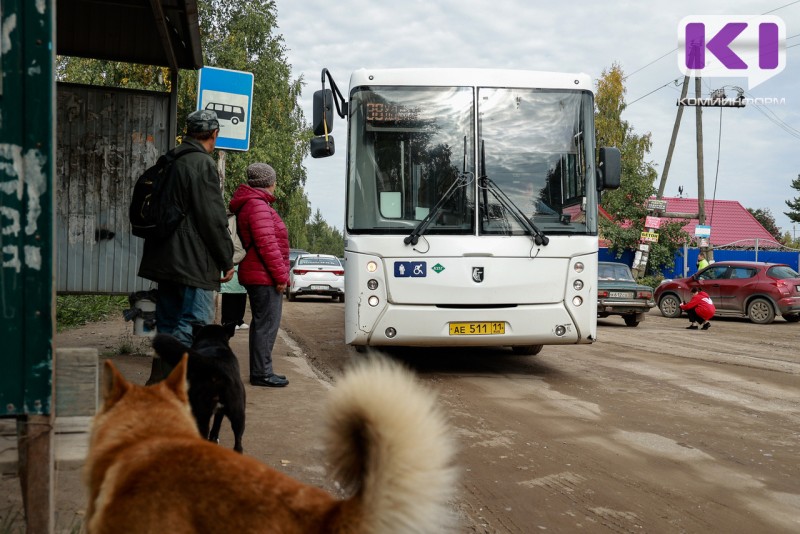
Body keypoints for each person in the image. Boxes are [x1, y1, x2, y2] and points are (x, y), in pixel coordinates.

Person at [138, 109, 235, 382]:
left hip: (165, 260)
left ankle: (160, 386)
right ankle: (174, 389)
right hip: (192, 264)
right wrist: (226, 259)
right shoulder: (201, 164)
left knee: (167, 326)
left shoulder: (171, 159)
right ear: (214, 134)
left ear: (189, 132)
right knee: (194, 328)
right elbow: (213, 219)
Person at [229, 163, 290, 387]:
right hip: (264, 276)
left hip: (259, 273)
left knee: (262, 324)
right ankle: (262, 373)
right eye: (274, 181)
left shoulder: (253, 203)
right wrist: (281, 276)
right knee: (267, 324)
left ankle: (262, 370)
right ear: (269, 183)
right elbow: (268, 245)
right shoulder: (257, 205)